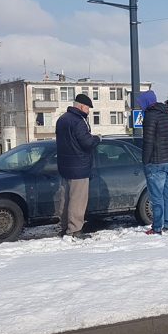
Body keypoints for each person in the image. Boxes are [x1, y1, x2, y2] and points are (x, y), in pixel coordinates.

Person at [55, 93, 101, 237]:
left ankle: (64, 227)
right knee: (78, 200)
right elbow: (86, 142)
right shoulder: (78, 121)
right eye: (88, 108)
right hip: (79, 166)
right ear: (82, 106)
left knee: (65, 198)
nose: (88, 111)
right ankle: (75, 230)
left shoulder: (62, 119)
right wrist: (97, 139)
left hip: (64, 165)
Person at [139, 89, 168, 235]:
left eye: (141, 103)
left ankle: (157, 227)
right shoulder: (166, 114)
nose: (140, 106)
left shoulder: (150, 116)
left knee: (156, 197)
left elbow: (148, 141)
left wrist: (145, 161)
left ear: (147, 102)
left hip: (156, 162)